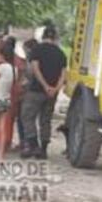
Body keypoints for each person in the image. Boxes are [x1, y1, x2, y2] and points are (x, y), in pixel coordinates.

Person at [21, 24, 67, 159]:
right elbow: (63, 75)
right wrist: (55, 89)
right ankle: (44, 150)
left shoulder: (37, 50)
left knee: (27, 116)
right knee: (46, 120)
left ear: (43, 36)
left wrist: (45, 85)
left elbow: (35, 69)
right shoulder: (61, 53)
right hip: (52, 94)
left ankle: (34, 144)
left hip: (36, 90)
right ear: (55, 38)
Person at [15, 38, 40, 149]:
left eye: (25, 49)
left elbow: (29, 78)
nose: (24, 52)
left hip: (28, 93)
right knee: (26, 118)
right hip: (31, 92)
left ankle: (26, 142)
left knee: (24, 118)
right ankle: (26, 142)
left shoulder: (31, 62)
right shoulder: (35, 61)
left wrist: (22, 86)